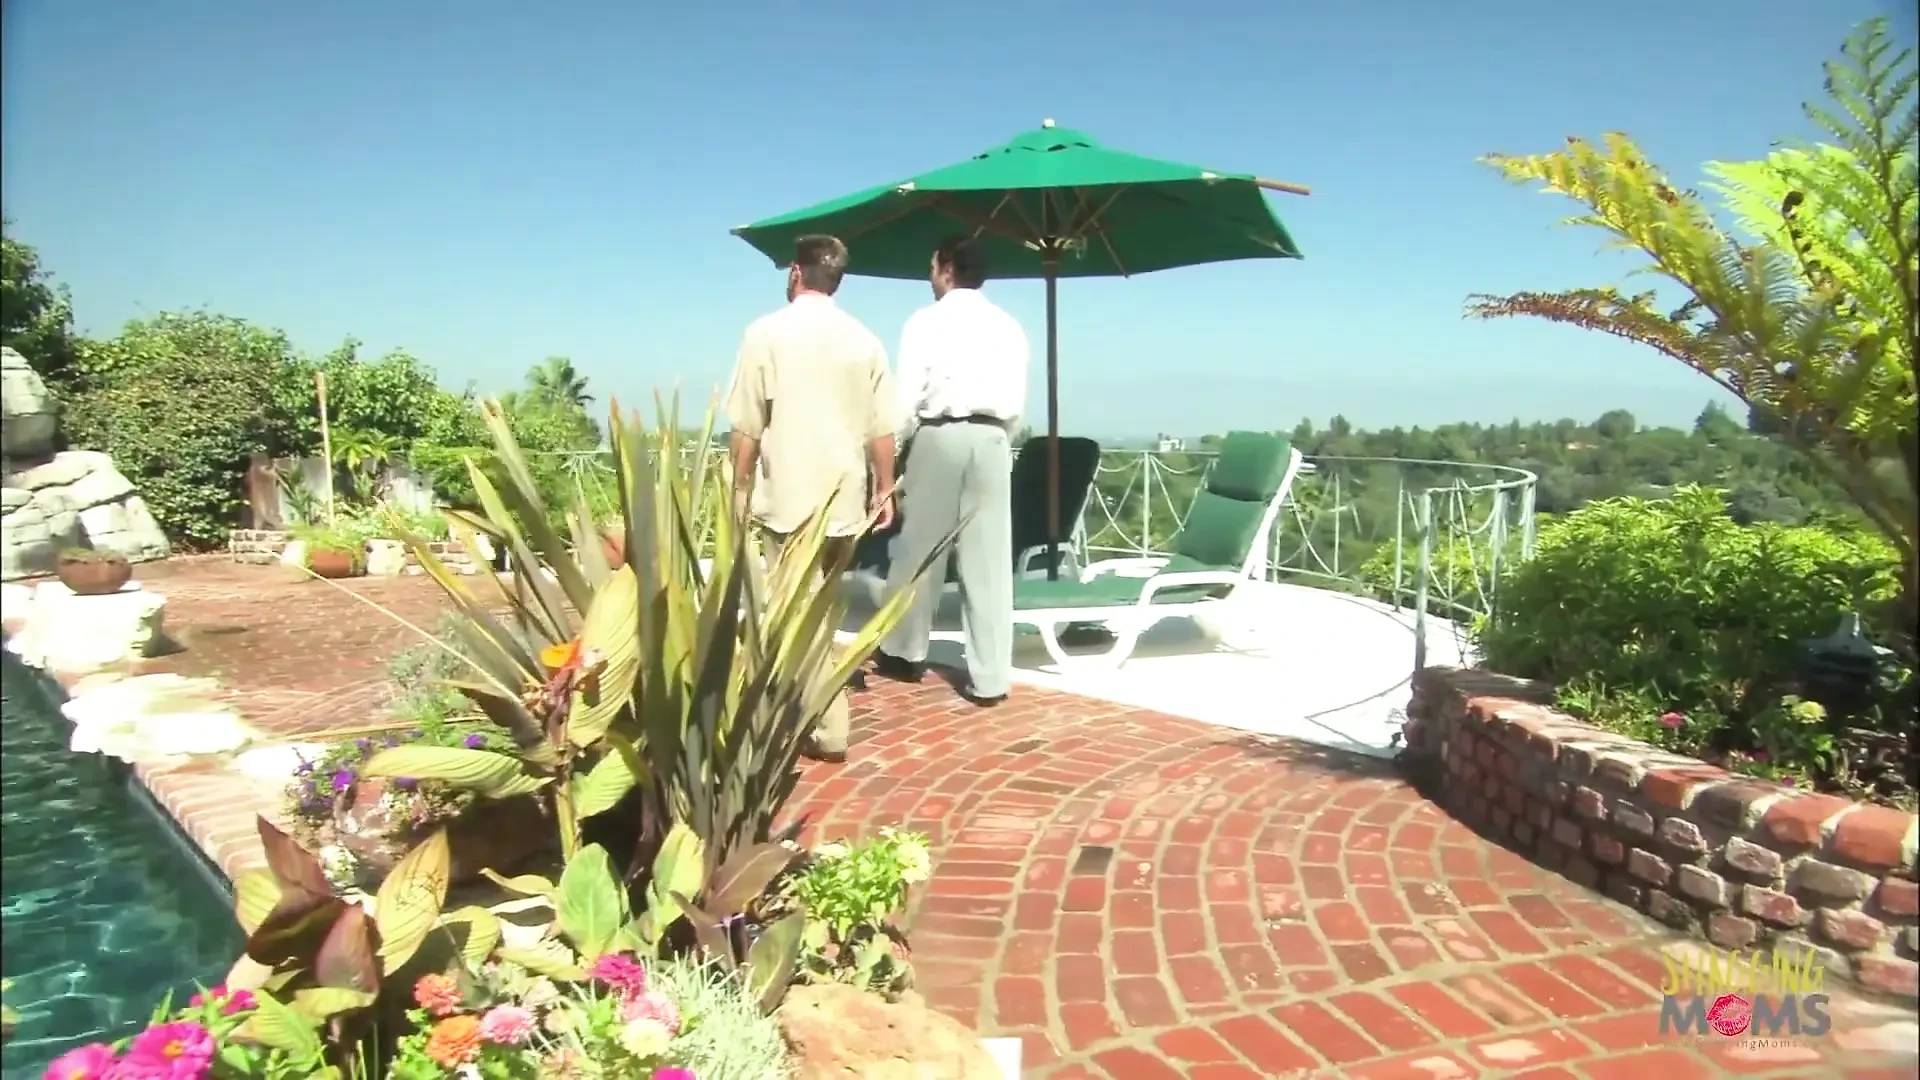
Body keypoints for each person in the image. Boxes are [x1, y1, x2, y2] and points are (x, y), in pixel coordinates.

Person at [724, 234, 901, 761]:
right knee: (821, 614)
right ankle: (814, 716)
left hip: (789, 497)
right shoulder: (864, 340)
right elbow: (882, 429)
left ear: (796, 272)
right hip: (844, 498)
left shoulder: (765, 334)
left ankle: (816, 726)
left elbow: (747, 426)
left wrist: (737, 489)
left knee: (789, 614)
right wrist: (885, 488)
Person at [872, 235, 1029, 706]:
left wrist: (894, 455)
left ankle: (904, 653)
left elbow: (907, 396)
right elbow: (1017, 402)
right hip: (993, 438)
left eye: (931, 265)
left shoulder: (926, 321)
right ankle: (991, 678)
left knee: (919, 551)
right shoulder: (1009, 325)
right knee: (989, 561)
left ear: (945, 269)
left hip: (940, 434)